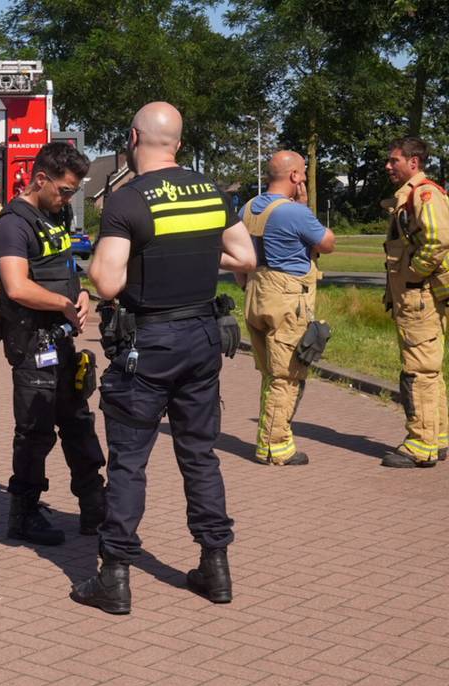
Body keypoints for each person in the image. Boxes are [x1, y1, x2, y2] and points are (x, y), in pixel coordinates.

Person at [71, 102, 256, 615]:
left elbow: (106, 281)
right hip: (203, 339)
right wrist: (193, 255)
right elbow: (245, 257)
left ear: (133, 138)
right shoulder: (211, 192)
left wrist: (143, 256)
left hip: (148, 345)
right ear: (179, 142)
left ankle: (115, 576)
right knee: (200, 454)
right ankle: (215, 567)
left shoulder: (127, 200)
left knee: (130, 462)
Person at [0, 143, 106, 546]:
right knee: (35, 430)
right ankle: (23, 515)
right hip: (31, 341)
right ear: (40, 179)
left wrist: (82, 293)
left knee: (77, 422)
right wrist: (63, 304)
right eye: (64, 190)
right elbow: (16, 286)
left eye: (73, 191)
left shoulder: (57, 214)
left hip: (61, 340)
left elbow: (65, 265)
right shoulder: (13, 223)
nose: (68, 199)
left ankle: (95, 506)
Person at [239, 151, 336, 466]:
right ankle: (275, 446)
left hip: (255, 294)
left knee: (270, 373)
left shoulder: (247, 208)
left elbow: (239, 259)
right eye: (303, 173)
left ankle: (269, 439)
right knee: (287, 375)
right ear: (294, 176)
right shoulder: (293, 212)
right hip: (287, 301)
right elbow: (327, 243)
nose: (305, 178)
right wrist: (304, 206)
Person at [381, 136, 449, 468]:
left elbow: (438, 239)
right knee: (429, 370)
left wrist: (413, 274)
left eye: (394, 160)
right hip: (414, 295)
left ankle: (421, 445)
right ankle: (438, 437)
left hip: (418, 297)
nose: (388, 166)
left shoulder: (424, 194)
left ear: (413, 162)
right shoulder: (409, 196)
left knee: (418, 371)